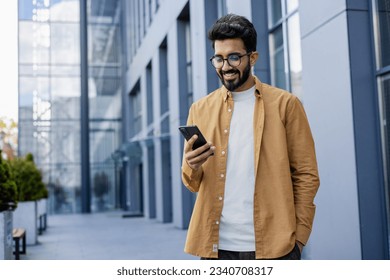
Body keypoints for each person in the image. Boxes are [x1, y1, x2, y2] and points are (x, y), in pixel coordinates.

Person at [181, 14, 320, 260]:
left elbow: (306, 175)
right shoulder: (199, 110)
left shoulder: (285, 105)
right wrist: (192, 166)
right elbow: (192, 183)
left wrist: (298, 238)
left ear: (252, 57)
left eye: (234, 57)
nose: (225, 67)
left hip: (275, 248)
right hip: (216, 249)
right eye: (218, 59)